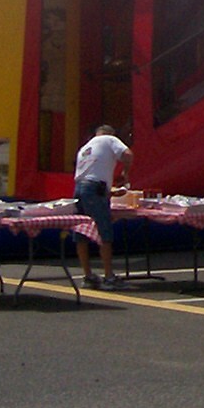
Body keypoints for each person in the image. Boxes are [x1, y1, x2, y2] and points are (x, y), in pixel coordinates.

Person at [74, 124, 132, 289]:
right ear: (110, 133)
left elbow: (92, 173)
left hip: (79, 188)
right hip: (94, 188)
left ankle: (88, 275)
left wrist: (108, 191)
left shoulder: (85, 148)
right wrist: (125, 172)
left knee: (82, 231)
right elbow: (128, 154)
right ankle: (109, 277)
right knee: (103, 230)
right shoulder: (109, 139)